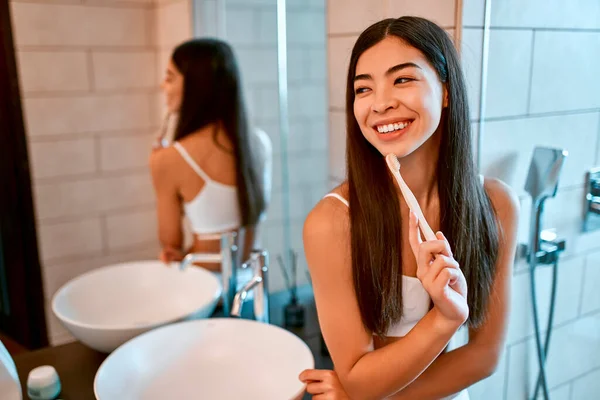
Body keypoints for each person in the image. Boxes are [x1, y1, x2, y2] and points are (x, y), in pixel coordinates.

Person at [300, 17, 518, 400]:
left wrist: (366, 396)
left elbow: (485, 355)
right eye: (363, 88)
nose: (381, 103)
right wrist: (443, 321)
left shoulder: (497, 205)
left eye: (402, 79)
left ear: (446, 91)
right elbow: (357, 377)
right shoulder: (333, 222)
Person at [150, 38, 272, 271]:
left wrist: (158, 168)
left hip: (203, 289)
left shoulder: (169, 159)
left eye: (170, 77)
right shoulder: (260, 144)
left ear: (195, 85)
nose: (162, 86)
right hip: (248, 284)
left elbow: (171, 246)